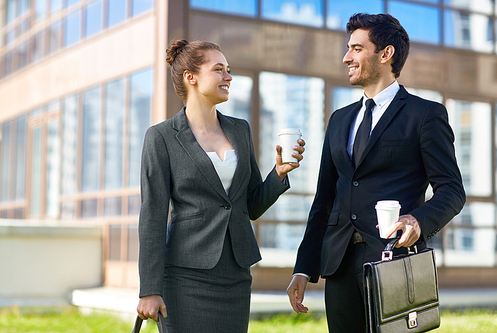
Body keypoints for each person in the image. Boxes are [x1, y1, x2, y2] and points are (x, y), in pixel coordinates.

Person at [286, 13, 465, 332]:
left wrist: (418, 220)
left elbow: (452, 191)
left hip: (395, 263)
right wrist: (304, 267)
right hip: (339, 266)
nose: (346, 57)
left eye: (356, 48)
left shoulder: (425, 115)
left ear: (386, 54)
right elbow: (325, 200)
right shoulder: (339, 120)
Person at [136, 39, 305, 332]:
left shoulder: (240, 129)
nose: (228, 77)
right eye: (219, 70)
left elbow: (250, 205)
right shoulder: (161, 137)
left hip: (235, 275)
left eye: (228, 70)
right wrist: (149, 288)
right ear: (191, 77)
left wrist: (278, 175)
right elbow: (152, 215)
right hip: (184, 278)